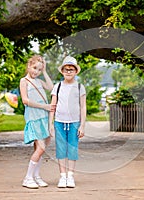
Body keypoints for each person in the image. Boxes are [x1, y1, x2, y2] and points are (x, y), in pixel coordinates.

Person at [49, 56, 86, 188]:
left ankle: (70, 175)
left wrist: (82, 125)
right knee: (60, 149)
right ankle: (62, 176)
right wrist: (50, 124)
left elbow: (83, 107)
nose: (69, 71)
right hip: (59, 122)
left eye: (71, 69)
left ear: (76, 71)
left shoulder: (80, 87)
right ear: (62, 71)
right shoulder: (57, 86)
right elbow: (53, 106)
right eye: (66, 69)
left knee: (72, 149)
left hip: (74, 122)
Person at [20, 55, 54, 189]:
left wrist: (45, 72)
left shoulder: (39, 81)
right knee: (41, 148)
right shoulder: (24, 81)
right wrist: (44, 106)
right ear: (29, 66)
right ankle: (28, 178)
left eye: (39, 70)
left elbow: (51, 87)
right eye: (34, 68)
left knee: (39, 150)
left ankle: (36, 176)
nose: (36, 72)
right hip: (34, 118)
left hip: (44, 118)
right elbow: (25, 100)